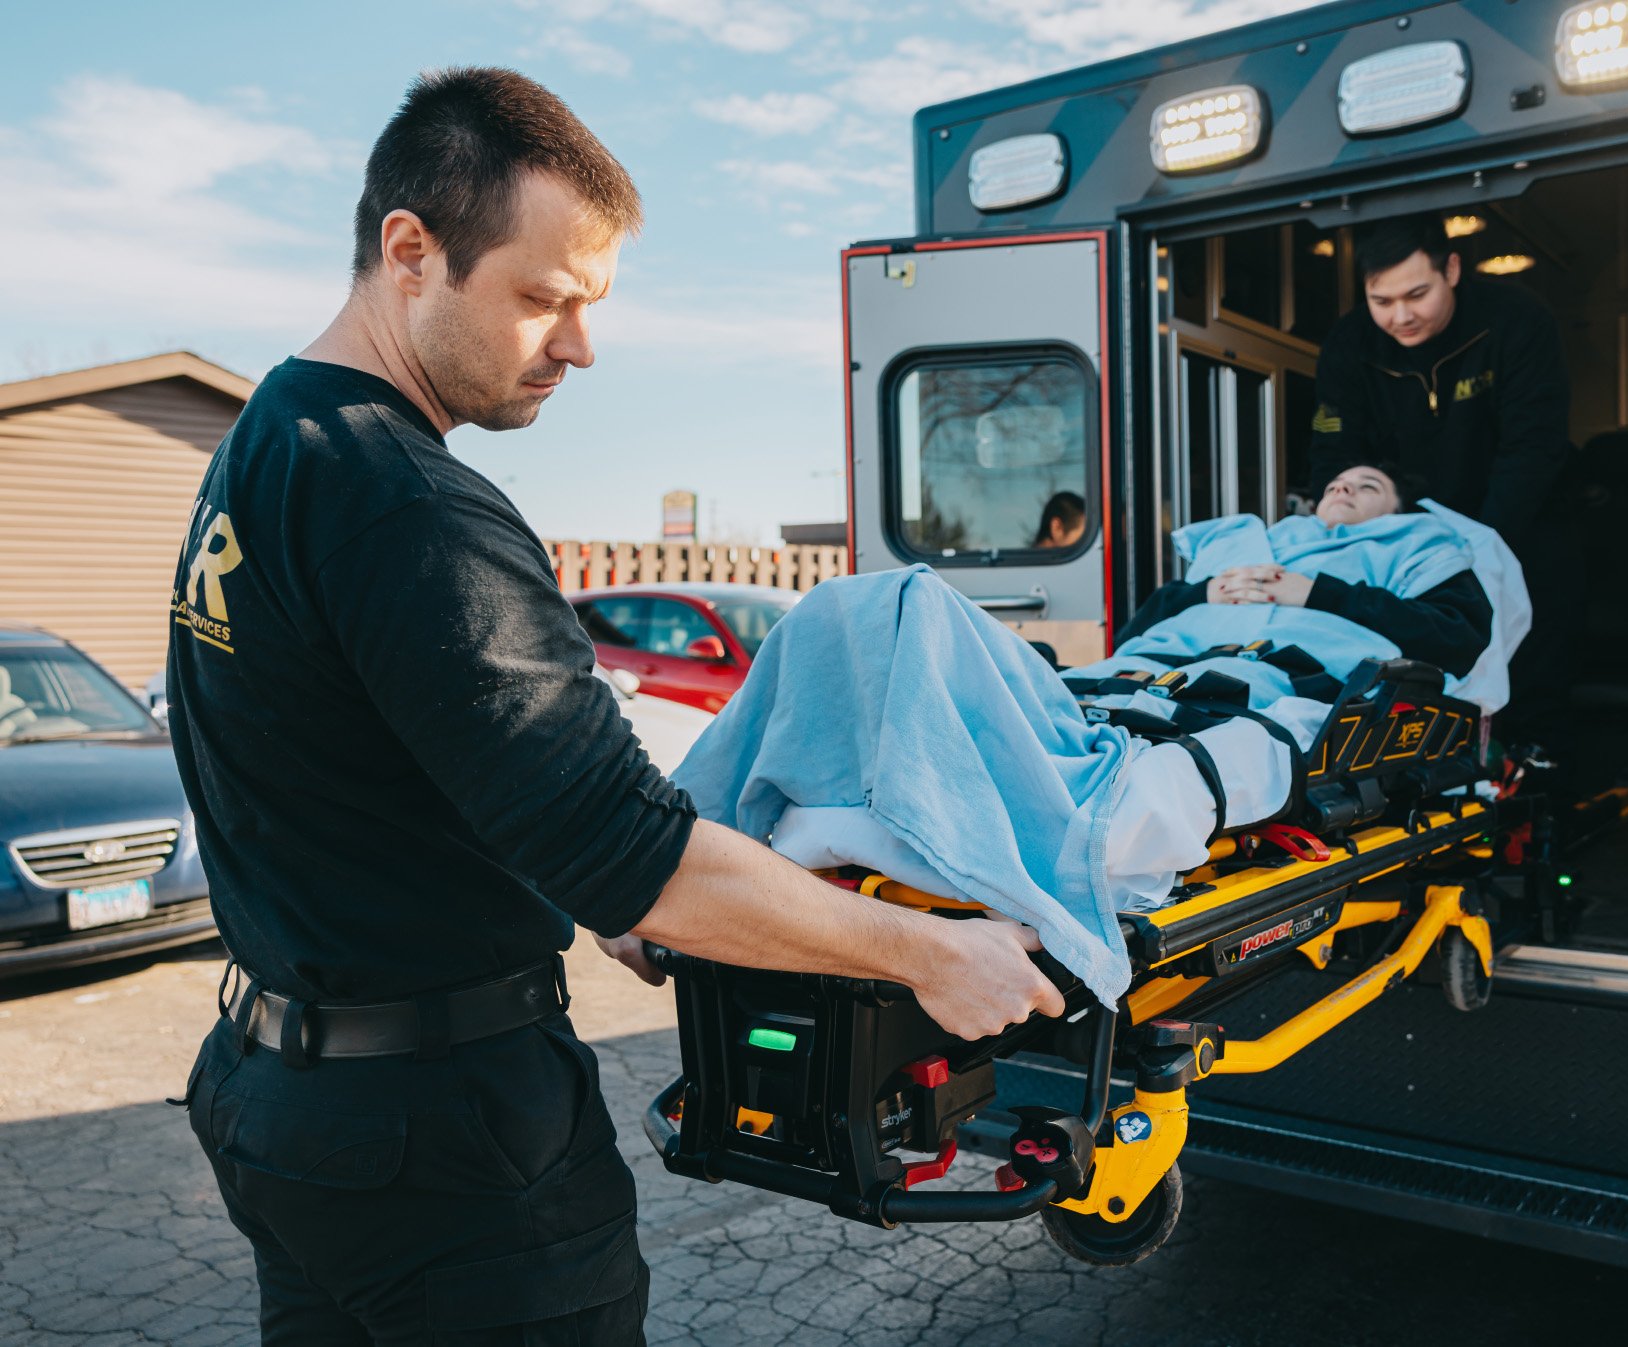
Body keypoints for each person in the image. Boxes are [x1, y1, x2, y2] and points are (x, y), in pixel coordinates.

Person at [165, 68, 1061, 1345]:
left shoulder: (274, 438)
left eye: (591, 305)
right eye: (543, 299)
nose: (579, 347)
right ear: (410, 253)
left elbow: (381, 762)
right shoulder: (414, 510)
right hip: (442, 1150)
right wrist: (932, 951)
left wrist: (592, 895)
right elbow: (631, 851)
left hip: (284, 1102)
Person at [1305, 215, 1580, 756]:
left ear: (1451, 270)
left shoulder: (1515, 320)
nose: (1400, 316)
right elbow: (1332, 450)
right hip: (1404, 533)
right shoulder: (1350, 342)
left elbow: (1532, 447)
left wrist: (1479, 548)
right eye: (1381, 301)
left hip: (1518, 524)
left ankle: (1536, 774)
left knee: (1534, 663)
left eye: (1417, 295)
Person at [1116, 464, 1493, 678]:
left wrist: (1317, 594)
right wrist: (1205, 592)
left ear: (1398, 513)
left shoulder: (1412, 544)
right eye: (1334, 487)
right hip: (1157, 664)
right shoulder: (1263, 540)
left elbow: (1456, 638)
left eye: (1367, 487)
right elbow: (1131, 634)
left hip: (1273, 675)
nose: (1343, 490)